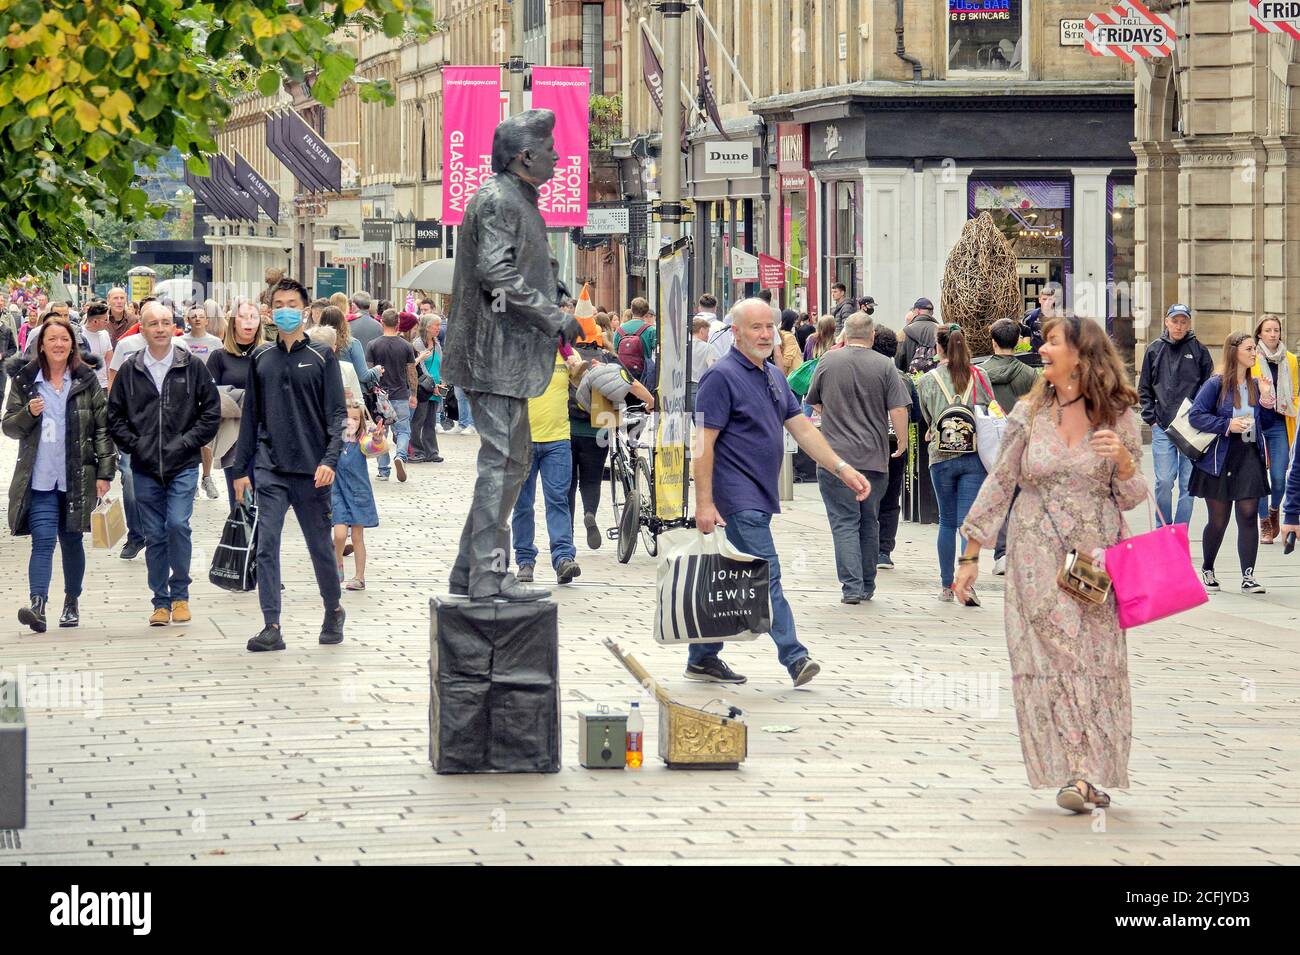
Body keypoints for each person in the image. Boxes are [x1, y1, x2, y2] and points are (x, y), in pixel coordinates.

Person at [955, 314, 1148, 815]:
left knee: (1094, 662)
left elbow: (1131, 497)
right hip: (1035, 556)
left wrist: (1125, 464)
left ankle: (1086, 769)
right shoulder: (1029, 413)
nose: (1041, 349)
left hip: (1095, 558)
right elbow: (1000, 482)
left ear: (1082, 355)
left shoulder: (1119, 417)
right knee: (1055, 660)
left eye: (1052, 343)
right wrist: (971, 554)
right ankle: (1075, 770)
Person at [689, 299, 871, 687]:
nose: (765, 334)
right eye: (756, 328)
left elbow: (802, 429)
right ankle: (794, 656)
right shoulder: (719, 378)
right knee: (765, 573)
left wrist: (840, 467)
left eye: (769, 327)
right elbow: (701, 444)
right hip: (736, 498)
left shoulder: (772, 374)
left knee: (736, 576)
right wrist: (703, 503)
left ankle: (702, 657)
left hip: (759, 493)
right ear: (735, 333)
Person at [442, 108, 583, 601]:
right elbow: (496, 275)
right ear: (525, 156)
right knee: (503, 465)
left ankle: (470, 572)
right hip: (493, 355)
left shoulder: (516, 199)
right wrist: (552, 315)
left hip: (504, 356)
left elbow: (518, 266)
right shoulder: (500, 200)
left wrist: (553, 286)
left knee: (510, 464)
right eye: (549, 149)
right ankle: (487, 576)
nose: (558, 156)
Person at [232, 277, 348, 652]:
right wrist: (240, 470)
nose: (285, 310)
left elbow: (337, 414)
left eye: (292, 303)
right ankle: (272, 625)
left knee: (319, 546)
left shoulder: (321, 357)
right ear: (270, 310)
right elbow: (251, 416)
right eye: (278, 303)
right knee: (267, 544)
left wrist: (330, 459)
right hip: (270, 467)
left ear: (304, 309)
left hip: (313, 470)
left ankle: (333, 609)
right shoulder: (261, 358)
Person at [105, 302, 221, 627]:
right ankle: (160, 601)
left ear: (174, 327)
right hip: (144, 466)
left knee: (177, 525)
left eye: (165, 323)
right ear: (141, 329)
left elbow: (211, 411)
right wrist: (135, 445)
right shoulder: (131, 369)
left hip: (182, 463)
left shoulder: (192, 365)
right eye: (153, 323)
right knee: (154, 534)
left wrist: (188, 441)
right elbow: (114, 416)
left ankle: (181, 594)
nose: (159, 328)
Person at [4, 315, 115, 631]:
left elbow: (102, 429)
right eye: (51, 338)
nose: (58, 344)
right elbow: (9, 427)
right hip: (39, 480)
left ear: (73, 345)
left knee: (71, 541)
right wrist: (29, 413)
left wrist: (105, 474)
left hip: (77, 478)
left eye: (64, 339)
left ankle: (71, 600)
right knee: (42, 540)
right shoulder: (25, 381)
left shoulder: (86, 380)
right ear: (41, 344)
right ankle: (37, 605)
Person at [806, 312, 910, 603]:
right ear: (872, 335)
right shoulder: (884, 366)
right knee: (869, 520)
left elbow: (812, 400)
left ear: (845, 334)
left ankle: (850, 587)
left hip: (835, 459)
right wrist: (901, 442)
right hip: (874, 458)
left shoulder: (827, 361)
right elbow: (899, 409)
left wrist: (833, 417)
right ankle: (867, 585)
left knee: (844, 522)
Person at [1187, 332, 1270, 595]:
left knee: (1248, 515)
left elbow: (1265, 422)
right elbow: (1196, 416)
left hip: (1248, 454)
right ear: (1235, 351)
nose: (1254, 353)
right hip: (1220, 457)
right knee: (1219, 520)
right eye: (1249, 349)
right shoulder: (1217, 383)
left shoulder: (1256, 384)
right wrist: (1227, 425)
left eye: (1254, 349)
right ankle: (1208, 567)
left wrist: (1267, 400)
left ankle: (1248, 576)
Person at [916, 324, 992, 605]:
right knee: (965, 525)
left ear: (938, 347)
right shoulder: (980, 376)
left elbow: (927, 416)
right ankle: (967, 584)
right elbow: (990, 410)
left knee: (946, 522)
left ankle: (947, 585)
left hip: (941, 456)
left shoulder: (927, 380)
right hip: (974, 457)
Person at [1137, 303, 1214, 527]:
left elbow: (1209, 388)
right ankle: (1163, 528)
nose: (1179, 326)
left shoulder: (1199, 351)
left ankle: (1179, 532)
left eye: (1183, 321)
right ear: (1166, 321)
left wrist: (1201, 417)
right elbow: (1144, 388)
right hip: (1162, 425)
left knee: (1188, 484)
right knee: (1163, 481)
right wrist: (1150, 419)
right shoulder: (1154, 350)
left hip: (1191, 427)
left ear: (1189, 323)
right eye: (1175, 321)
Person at [973, 317, 1040, 574]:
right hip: (1019, 440)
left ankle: (1000, 553)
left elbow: (976, 405)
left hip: (988, 442)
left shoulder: (980, 373)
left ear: (993, 341)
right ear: (1018, 342)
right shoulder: (1030, 374)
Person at [569, 352, 656, 548]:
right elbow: (632, 384)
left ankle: (568, 535)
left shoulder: (570, 356)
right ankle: (589, 512)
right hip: (598, 430)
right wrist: (651, 402)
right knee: (591, 480)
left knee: (569, 483)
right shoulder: (607, 359)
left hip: (569, 430)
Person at [511, 350, 581, 585]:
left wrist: (582, 368)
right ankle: (525, 560)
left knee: (558, 500)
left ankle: (563, 558)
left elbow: (580, 383)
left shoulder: (567, 353)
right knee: (522, 504)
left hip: (558, 441)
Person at [207, 300, 266, 510]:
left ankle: (260, 542)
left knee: (265, 501)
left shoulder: (269, 354)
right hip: (234, 439)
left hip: (266, 436)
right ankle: (243, 542)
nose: (248, 322)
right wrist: (248, 399)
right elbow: (210, 397)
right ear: (232, 322)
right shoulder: (219, 357)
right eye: (242, 317)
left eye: (253, 317)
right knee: (240, 501)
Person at [869, 326, 918, 570]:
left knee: (868, 495)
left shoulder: (867, 374)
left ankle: (867, 546)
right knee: (891, 496)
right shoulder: (904, 379)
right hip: (896, 445)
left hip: (869, 443)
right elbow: (916, 414)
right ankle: (884, 550)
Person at [1250, 315, 1296, 544]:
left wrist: (1293, 407)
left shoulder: (1290, 359)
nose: (1272, 334)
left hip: (1279, 423)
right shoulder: (1251, 357)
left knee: (1279, 477)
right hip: (1257, 424)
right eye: (1268, 330)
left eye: (1276, 330)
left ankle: (1274, 508)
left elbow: (1296, 391)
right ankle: (1264, 523)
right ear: (1260, 333)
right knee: (1259, 476)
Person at [331, 397, 378, 591]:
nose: (351, 422)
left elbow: (375, 448)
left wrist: (378, 439)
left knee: (358, 536)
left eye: (356, 419)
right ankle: (338, 562)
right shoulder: (334, 442)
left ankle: (359, 577)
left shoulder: (362, 441)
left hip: (358, 493)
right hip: (338, 492)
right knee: (340, 534)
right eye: (347, 418)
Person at [179, 304, 225, 501]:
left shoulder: (216, 342)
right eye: (193, 316)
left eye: (201, 316)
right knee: (188, 437)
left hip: (208, 395)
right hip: (184, 395)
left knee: (206, 439)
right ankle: (191, 480)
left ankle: (207, 477)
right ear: (187, 320)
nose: (197, 319)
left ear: (207, 320)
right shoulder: (180, 341)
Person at [367, 308, 417, 483]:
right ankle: (401, 456)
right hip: (401, 394)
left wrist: (369, 395)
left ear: (382, 323)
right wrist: (414, 394)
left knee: (380, 431)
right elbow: (411, 372)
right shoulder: (406, 346)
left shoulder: (373, 345)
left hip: (380, 396)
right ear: (398, 325)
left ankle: (383, 470)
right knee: (403, 430)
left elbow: (370, 373)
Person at [318, 305, 380, 399]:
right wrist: (377, 370)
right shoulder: (352, 343)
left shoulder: (315, 344)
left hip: (324, 393)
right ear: (343, 322)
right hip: (351, 395)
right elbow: (363, 375)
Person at [410, 315, 445, 463]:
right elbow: (420, 367)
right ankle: (417, 450)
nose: (438, 328)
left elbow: (440, 364)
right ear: (426, 327)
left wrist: (442, 382)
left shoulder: (437, 344)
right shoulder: (418, 344)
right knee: (419, 420)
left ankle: (432, 451)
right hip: (424, 387)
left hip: (435, 387)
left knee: (430, 420)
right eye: (435, 325)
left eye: (439, 325)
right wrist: (432, 385)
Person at [896, 297, 939, 372]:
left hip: (910, 380)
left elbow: (899, 361)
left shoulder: (903, 332)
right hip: (935, 380)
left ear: (917, 311)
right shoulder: (942, 330)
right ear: (932, 313)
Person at [80, 301, 114, 390]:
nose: (108, 322)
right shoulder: (79, 335)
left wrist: (110, 382)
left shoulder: (105, 334)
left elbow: (109, 360)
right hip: (84, 385)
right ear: (95, 321)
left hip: (103, 385)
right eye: (105, 319)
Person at [689, 316, 720, 411]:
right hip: (699, 389)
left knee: (685, 423)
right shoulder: (708, 348)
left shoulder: (683, 347)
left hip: (681, 391)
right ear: (701, 330)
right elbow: (713, 369)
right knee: (700, 421)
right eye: (707, 332)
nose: (708, 336)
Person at [1020, 286, 1057, 353]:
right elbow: (1022, 335)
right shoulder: (1031, 316)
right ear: (1039, 300)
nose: (1047, 302)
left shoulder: (1060, 318)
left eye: (1050, 299)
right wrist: (1025, 352)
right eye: (1044, 299)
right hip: (1034, 356)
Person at [775, 309, 802, 377]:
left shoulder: (780, 334)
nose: (796, 322)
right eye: (794, 321)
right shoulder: (790, 337)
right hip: (794, 375)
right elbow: (787, 359)